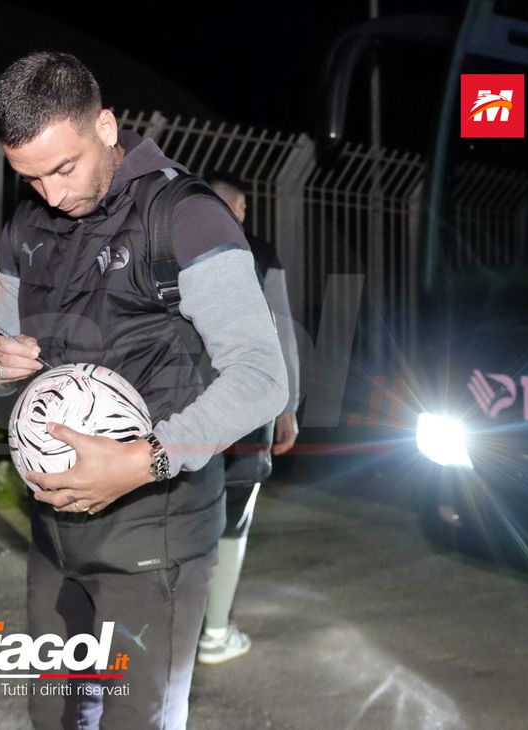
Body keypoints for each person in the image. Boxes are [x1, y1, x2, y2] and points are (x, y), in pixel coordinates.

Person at [0, 52, 287, 728]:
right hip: (55, 535)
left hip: (157, 540)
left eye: (64, 168)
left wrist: (147, 459)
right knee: (54, 717)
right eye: (28, 177)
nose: (51, 194)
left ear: (106, 127)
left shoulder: (187, 217)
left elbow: (263, 379)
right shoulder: (24, 225)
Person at [195, 171, 302, 664]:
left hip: (187, 409)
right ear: (240, 209)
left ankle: (181, 626)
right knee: (234, 518)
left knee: (185, 515)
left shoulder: (175, 247)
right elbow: (281, 331)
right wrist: (288, 406)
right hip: (247, 409)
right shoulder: (260, 254)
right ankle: (214, 633)